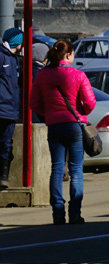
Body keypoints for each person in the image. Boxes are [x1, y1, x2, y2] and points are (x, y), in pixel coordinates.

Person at [30, 40, 95, 224]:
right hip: (74, 125)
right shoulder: (78, 75)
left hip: (54, 126)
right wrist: (81, 112)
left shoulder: (42, 75)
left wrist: (49, 113)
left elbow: (33, 103)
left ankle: (58, 214)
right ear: (68, 55)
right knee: (76, 169)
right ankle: (75, 213)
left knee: (57, 168)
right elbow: (90, 103)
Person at [0, 28, 20, 189]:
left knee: (6, 143)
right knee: (4, 144)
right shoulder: (3, 56)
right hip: (4, 107)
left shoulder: (14, 59)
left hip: (10, 109)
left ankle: (3, 176)